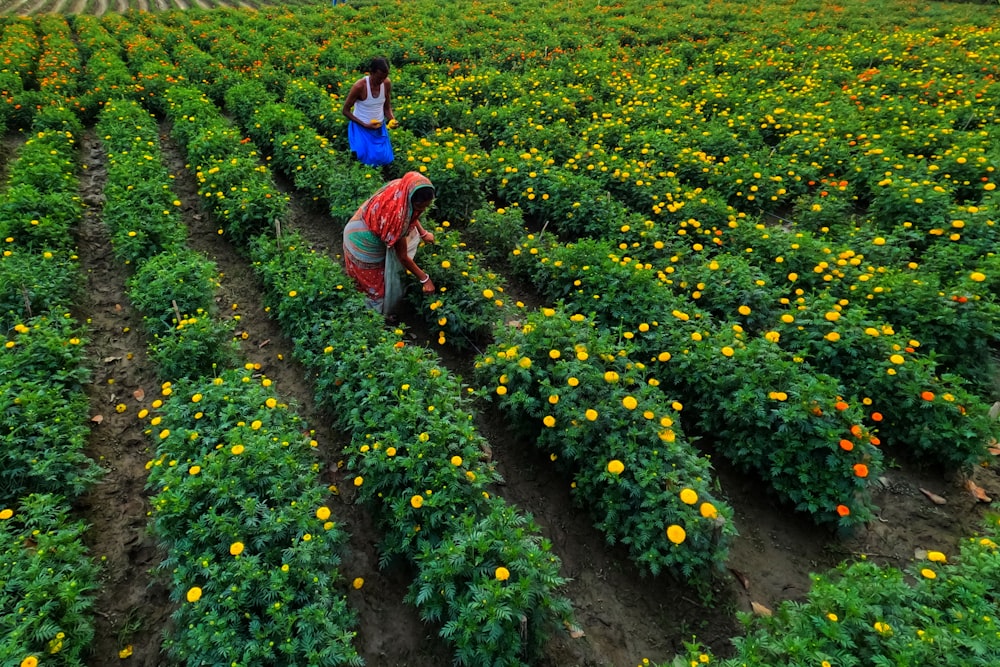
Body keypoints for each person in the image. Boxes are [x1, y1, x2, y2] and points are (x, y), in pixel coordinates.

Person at [342, 172, 437, 317]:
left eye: (427, 206)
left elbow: (411, 211)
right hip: (361, 243)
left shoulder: (402, 188)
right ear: (411, 200)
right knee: (376, 289)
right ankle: (372, 319)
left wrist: (423, 233)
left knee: (374, 278)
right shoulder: (397, 220)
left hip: (358, 224)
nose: (422, 210)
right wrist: (425, 279)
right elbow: (403, 257)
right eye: (419, 207)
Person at [342, 57, 397, 167]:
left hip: (378, 127)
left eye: (385, 77)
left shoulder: (386, 83)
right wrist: (365, 125)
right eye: (379, 78)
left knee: (385, 159)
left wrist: (392, 119)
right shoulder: (359, 86)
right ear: (371, 73)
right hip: (361, 127)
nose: (381, 81)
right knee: (363, 158)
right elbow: (345, 111)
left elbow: (387, 107)